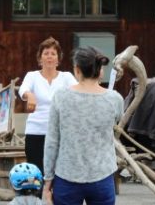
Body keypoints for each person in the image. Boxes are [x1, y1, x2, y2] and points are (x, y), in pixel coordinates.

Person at [43, 45, 123, 205]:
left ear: (77, 70)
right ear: (100, 70)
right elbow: (117, 123)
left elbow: (52, 142)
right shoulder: (115, 99)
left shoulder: (61, 97)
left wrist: (48, 180)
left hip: (67, 175)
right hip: (103, 174)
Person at [19, 37, 77, 173]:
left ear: (58, 58)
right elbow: (23, 89)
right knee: (36, 171)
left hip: (60, 130)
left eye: (53, 54)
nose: (49, 57)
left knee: (60, 171)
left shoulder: (66, 77)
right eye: (46, 53)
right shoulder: (32, 76)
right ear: (40, 58)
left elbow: (78, 91)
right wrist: (30, 95)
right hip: (36, 130)